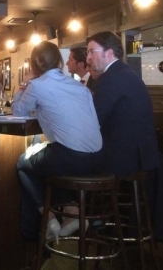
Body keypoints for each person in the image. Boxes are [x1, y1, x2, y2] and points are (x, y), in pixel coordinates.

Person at [12, 41, 104, 242]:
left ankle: (49, 218)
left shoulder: (36, 85)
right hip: (97, 158)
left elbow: (18, 111)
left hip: (70, 157)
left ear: (34, 65)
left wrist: (23, 85)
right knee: (53, 164)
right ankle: (72, 213)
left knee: (23, 164)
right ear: (60, 62)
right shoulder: (79, 86)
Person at [86, 31, 160, 176]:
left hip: (123, 158)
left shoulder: (110, 78)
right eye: (87, 52)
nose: (88, 58)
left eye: (92, 52)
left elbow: (94, 120)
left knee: (71, 163)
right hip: (141, 156)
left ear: (109, 53)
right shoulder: (125, 73)